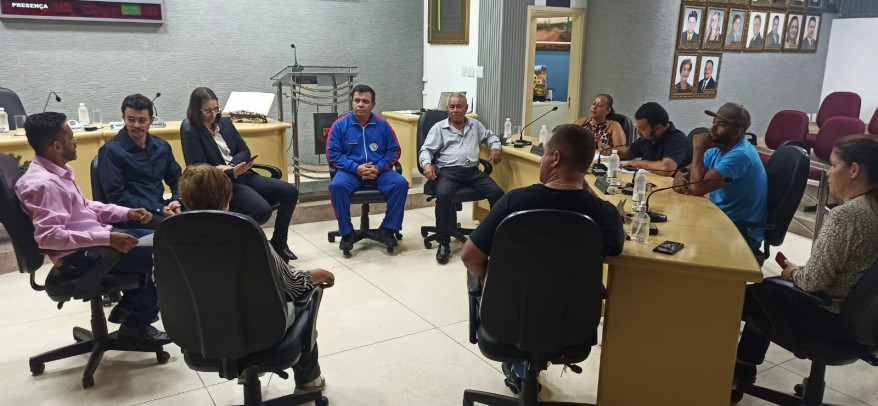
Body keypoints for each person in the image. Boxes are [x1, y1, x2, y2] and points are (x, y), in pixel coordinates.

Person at [461, 124, 625, 394]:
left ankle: (519, 365)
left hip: (505, 322)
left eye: (545, 153)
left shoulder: (514, 203)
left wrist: (485, 281)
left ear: (556, 158)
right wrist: (588, 192)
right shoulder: (604, 215)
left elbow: (470, 256)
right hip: (573, 327)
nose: (541, 160)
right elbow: (617, 247)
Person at [733, 134, 878, 386]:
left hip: (831, 317)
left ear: (854, 170)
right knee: (770, 293)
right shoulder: (871, 210)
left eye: (833, 165)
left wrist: (793, 273)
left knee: (755, 294)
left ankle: (738, 367)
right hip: (865, 323)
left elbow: (812, 283)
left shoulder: (847, 216)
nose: (828, 173)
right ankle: (744, 364)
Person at [15, 112, 170, 344]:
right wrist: (107, 239)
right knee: (169, 257)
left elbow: (85, 206)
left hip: (97, 240)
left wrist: (126, 212)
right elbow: (49, 237)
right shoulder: (44, 185)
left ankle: (128, 307)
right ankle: (135, 325)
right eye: (71, 137)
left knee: (165, 241)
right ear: (57, 146)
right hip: (82, 255)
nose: (75, 140)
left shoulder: (55, 172)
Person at [178, 164, 333, 392]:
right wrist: (316, 275)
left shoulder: (169, 237)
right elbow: (290, 285)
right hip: (263, 332)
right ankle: (308, 381)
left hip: (198, 337)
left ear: (184, 200)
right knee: (307, 299)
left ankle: (246, 371)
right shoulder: (245, 233)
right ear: (228, 198)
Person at [180, 87, 300, 262]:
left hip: (244, 173)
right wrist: (230, 173)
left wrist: (232, 166)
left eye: (216, 109)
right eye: (207, 111)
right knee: (262, 211)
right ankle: (232, 242)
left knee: (290, 192)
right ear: (196, 110)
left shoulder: (225, 123)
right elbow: (198, 167)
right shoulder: (190, 130)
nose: (213, 114)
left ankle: (279, 243)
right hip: (224, 184)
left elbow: (244, 149)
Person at [418, 93, 504, 264]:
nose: (455, 110)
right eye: (452, 107)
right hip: (448, 171)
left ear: (466, 108)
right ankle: (443, 243)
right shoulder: (439, 128)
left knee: (498, 194)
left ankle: (495, 237)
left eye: (459, 106)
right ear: (448, 108)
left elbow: (491, 136)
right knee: (443, 195)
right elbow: (425, 150)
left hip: (472, 171)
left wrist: (495, 147)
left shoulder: (475, 125)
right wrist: (426, 164)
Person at [672, 103, 767, 254]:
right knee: (673, 227)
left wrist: (698, 149)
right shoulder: (719, 147)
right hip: (718, 218)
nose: (712, 128)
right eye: (713, 122)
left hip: (741, 232)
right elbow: (684, 171)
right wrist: (680, 177)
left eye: (721, 125)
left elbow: (697, 187)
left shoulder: (740, 155)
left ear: (738, 132)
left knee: (680, 243)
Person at [326, 84, 409, 252]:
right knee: (337, 186)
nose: (360, 105)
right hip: (351, 172)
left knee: (401, 183)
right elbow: (332, 153)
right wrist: (355, 168)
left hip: (379, 172)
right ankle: (347, 233)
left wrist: (378, 167)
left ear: (373, 105)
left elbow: (394, 150)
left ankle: (388, 229)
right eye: (357, 100)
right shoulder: (339, 125)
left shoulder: (383, 125)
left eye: (365, 101)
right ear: (351, 102)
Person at [97, 94, 182, 230]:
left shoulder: (162, 146)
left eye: (142, 120)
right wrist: (159, 209)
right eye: (130, 120)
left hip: (160, 206)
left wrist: (176, 200)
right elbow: (117, 197)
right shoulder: (110, 151)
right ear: (123, 118)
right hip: (132, 215)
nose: (136, 125)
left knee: (200, 216)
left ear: (151, 120)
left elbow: (177, 179)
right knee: (177, 228)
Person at [614, 102, 691, 174]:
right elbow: (628, 153)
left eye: (642, 129)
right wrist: (610, 152)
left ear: (657, 128)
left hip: (669, 183)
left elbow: (667, 169)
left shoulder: (677, 140)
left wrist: (640, 164)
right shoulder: (649, 137)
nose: (638, 132)